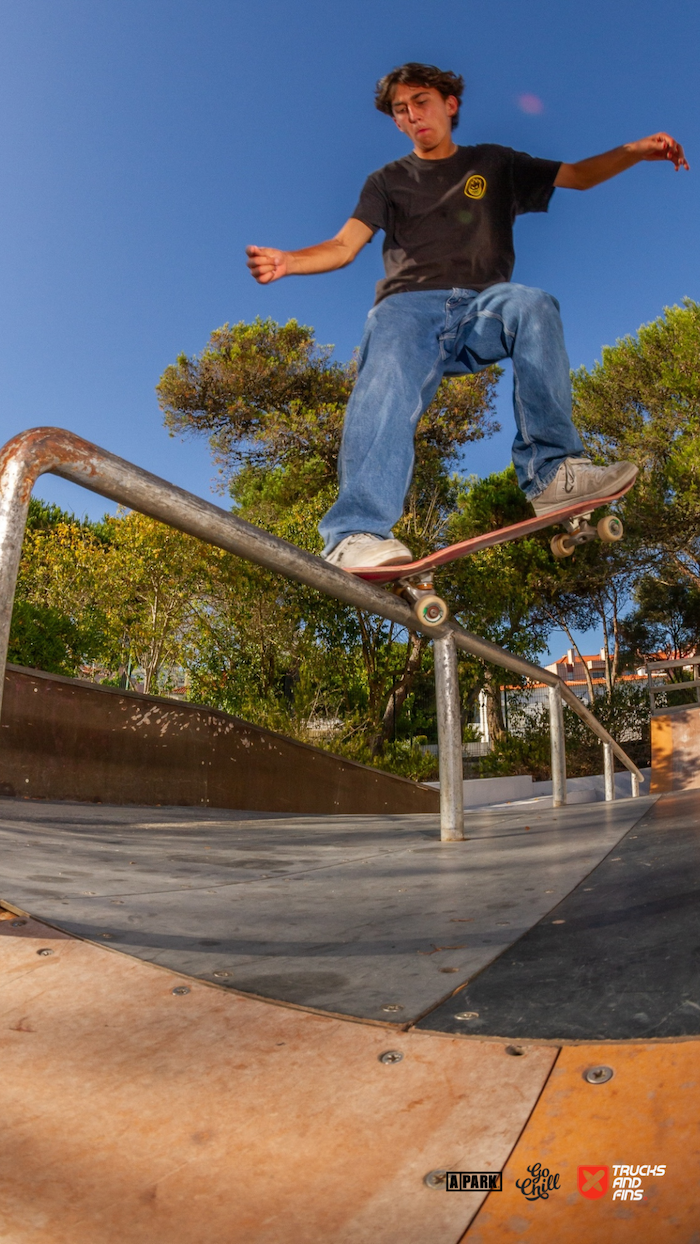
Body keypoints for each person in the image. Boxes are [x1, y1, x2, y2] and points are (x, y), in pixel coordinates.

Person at [246, 62, 688, 569]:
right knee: (387, 372)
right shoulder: (387, 181)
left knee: (533, 305)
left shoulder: (495, 163)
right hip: (409, 308)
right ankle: (355, 534)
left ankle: (554, 474)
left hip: (483, 308)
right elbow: (345, 246)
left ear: (449, 104)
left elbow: (579, 176)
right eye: (401, 110)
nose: (413, 116)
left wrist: (636, 150)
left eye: (421, 102)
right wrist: (290, 261)